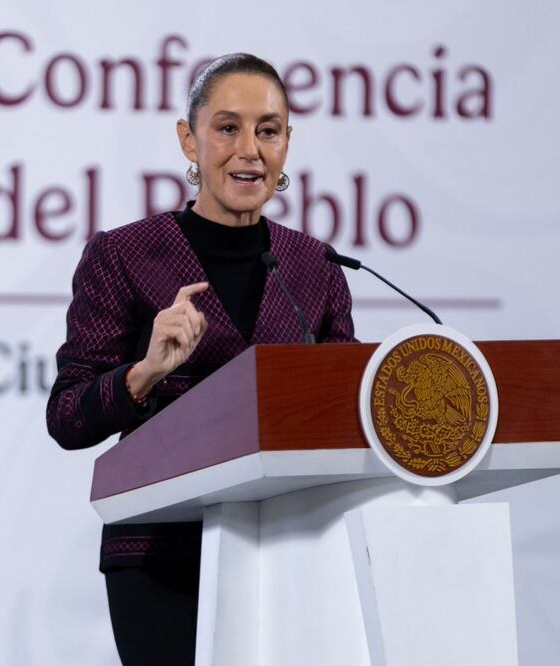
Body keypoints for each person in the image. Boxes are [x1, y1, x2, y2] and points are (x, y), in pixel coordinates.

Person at [46, 53, 356, 665]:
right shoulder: (125, 256)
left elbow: (340, 416)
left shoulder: (315, 268)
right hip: (162, 555)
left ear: (287, 144)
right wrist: (145, 372)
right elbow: (66, 418)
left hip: (289, 551)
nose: (249, 150)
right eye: (227, 127)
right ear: (189, 138)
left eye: (268, 130)